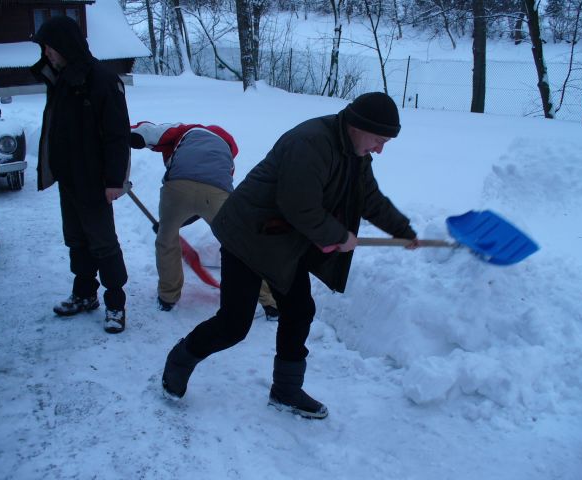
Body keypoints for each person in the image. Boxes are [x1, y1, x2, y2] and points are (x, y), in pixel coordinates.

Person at [161, 92, 420, 419]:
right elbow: (298, 205)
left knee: (299, 310)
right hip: (248, 235)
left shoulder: (355, 153)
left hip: (282, 241)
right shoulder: (310, 143)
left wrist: (402, 229)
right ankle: (181, 358)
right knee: (234, 324)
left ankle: (285, 390)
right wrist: (338, 236)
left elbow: (368, 197)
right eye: (378, 140)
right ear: (357, 125)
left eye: (386, 143)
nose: (380, 149)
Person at [31, 16, 130, 334]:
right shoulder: (61, 79)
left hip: (95, 180)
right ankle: (85, 294)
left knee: (103, 243)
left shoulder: (101, 79)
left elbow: (117, 135)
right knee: (76, 239)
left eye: (50, 48)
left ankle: (116, 304)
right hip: (69, 178)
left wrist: (115, 181)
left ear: (65, 46)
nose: (47, 54)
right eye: (45, 48)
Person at [129, 121, 279, 319]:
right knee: (241, 246)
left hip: (177, 187)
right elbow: (205, 197)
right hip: (218, 192)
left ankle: (168, 297)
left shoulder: (183, 130)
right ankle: (270, 302)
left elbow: (147, 132)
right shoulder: (227, 148)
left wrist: (171, 223)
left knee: (167, 241)